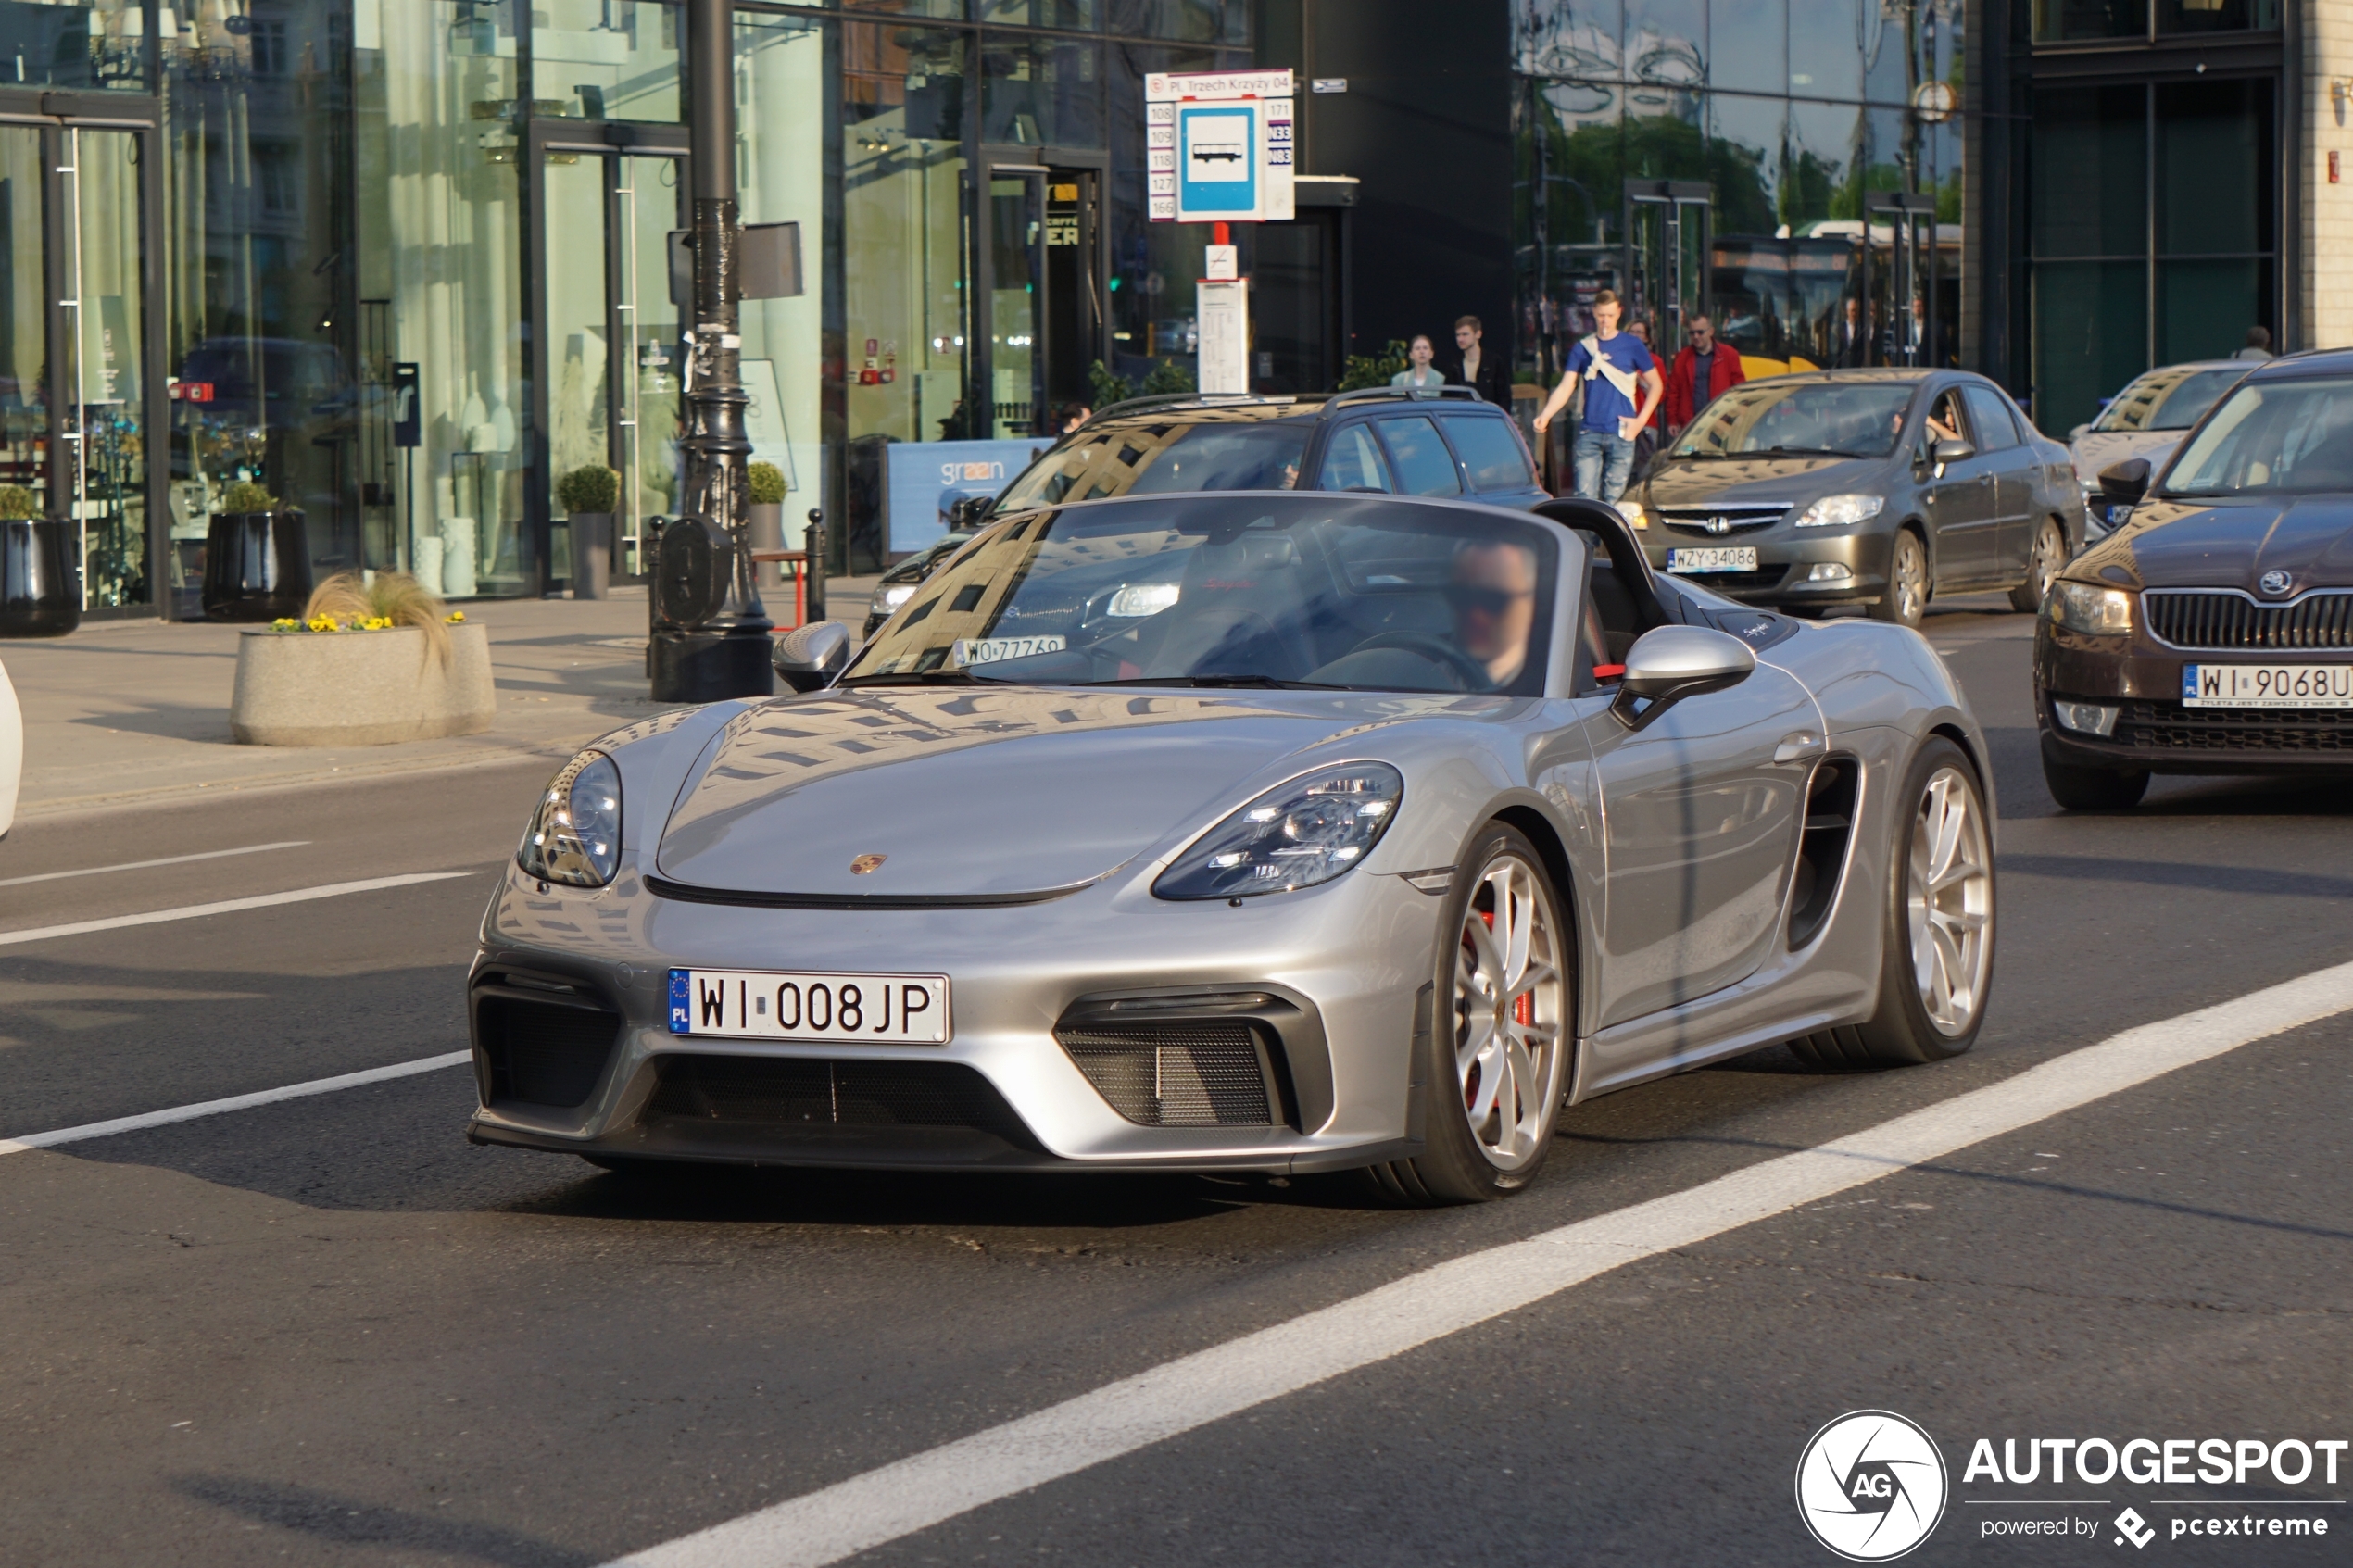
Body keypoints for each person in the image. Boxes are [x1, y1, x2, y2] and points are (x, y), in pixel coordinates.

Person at [1530, 289, 1662, 505]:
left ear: (1619, 313)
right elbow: (1566, 386)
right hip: (1590, 430)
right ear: (1593, 312)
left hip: (1622, 431)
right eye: (1601, 315)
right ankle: (1587, 540)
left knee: (1615, 499)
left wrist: (1640, 421)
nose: (1605, 321)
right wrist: (1546, 415)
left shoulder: (1633, 345)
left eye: (1610, 315)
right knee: (1584, 498)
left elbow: (1656, 385)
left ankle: (1607, 540)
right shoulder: (1582, 349)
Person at [1447, 537, 1540, 688]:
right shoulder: (1421, 668)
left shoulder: (1553, 685)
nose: (1474, 613)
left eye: (1493, 600)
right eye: (1460, 596)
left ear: (1534, 602)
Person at [1662, 314, 1745, 436]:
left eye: (1700, 332)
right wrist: (1672, 421)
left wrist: (1737, 416)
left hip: (1721, 421)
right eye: (1692, 333)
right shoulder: (1682, 358)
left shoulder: (1729, 355)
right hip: (1690, 423)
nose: (1696, 337)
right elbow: (1674, 391)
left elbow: (1739, 388)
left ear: (1711, 331)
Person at [1442, 315, 1510, 405]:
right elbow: (1447, 399)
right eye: (1458, 335)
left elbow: (1504, 397)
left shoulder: (1494, 362)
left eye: (1465, 334)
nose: (1460, 339)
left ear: (1478, 334)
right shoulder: (1454, 366)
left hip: (1487, 416)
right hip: (1460, 416)